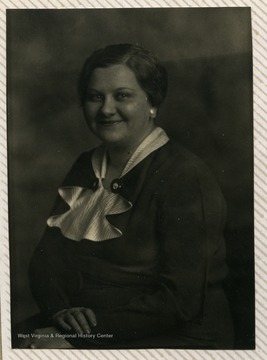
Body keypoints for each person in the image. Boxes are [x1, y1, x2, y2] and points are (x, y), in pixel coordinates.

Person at [22, 43, 234, 349]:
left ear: (152, 102)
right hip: (94, 323)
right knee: (17, 341)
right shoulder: (87, 165)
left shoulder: (184, 175)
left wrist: (80, 336)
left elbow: (181, 301)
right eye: (96, 97)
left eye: (122, 95)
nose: (106, 109)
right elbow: (46, 262)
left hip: (176, 335)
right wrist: (61, 313)